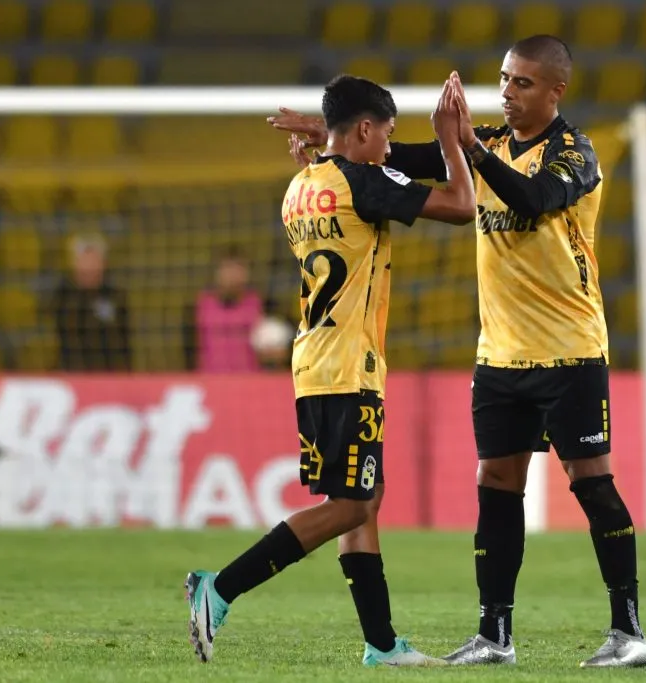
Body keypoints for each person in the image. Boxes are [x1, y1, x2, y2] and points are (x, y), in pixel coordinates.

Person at [270, 35, 646, 669]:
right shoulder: (491, 145)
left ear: (556, 90)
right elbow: (398, 156)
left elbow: (533, 201)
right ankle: (494, 635)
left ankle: (628, 631)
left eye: (523, 83)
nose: (507, 92)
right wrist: (331, 138)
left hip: (569, 348)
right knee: (496, 485)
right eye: (504, 79)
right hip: (499, 352)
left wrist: (469, 147)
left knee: (590, 481)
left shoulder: (574, 153)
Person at [185, 73, 476, 666]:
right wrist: (449, 139)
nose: (389, 148)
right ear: (365, 129)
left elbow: (345, 184)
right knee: (350, 506)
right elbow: (461, 206)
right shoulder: (363, 182)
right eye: (386, 136)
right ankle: (219, 588)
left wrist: (326, 146)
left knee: (365, 496)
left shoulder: (302, 184)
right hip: (347, 364)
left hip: (316, 360)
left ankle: (382, 645)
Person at [183, 244, 276, 373]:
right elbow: (189, 348)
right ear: (218, 272)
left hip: (249, 378)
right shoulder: (202, 304)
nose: (233, 275)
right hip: (209, 377)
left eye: (239, 269)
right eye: (228, 268)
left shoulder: (258, 303)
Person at [52, 234, 131, 372]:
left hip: (109, 373)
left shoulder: (115, 296)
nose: (89, 266)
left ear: (104, 263)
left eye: (94, 260)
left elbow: (123, 339)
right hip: (73, 371)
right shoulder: (63, 295)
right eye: (84, 260)